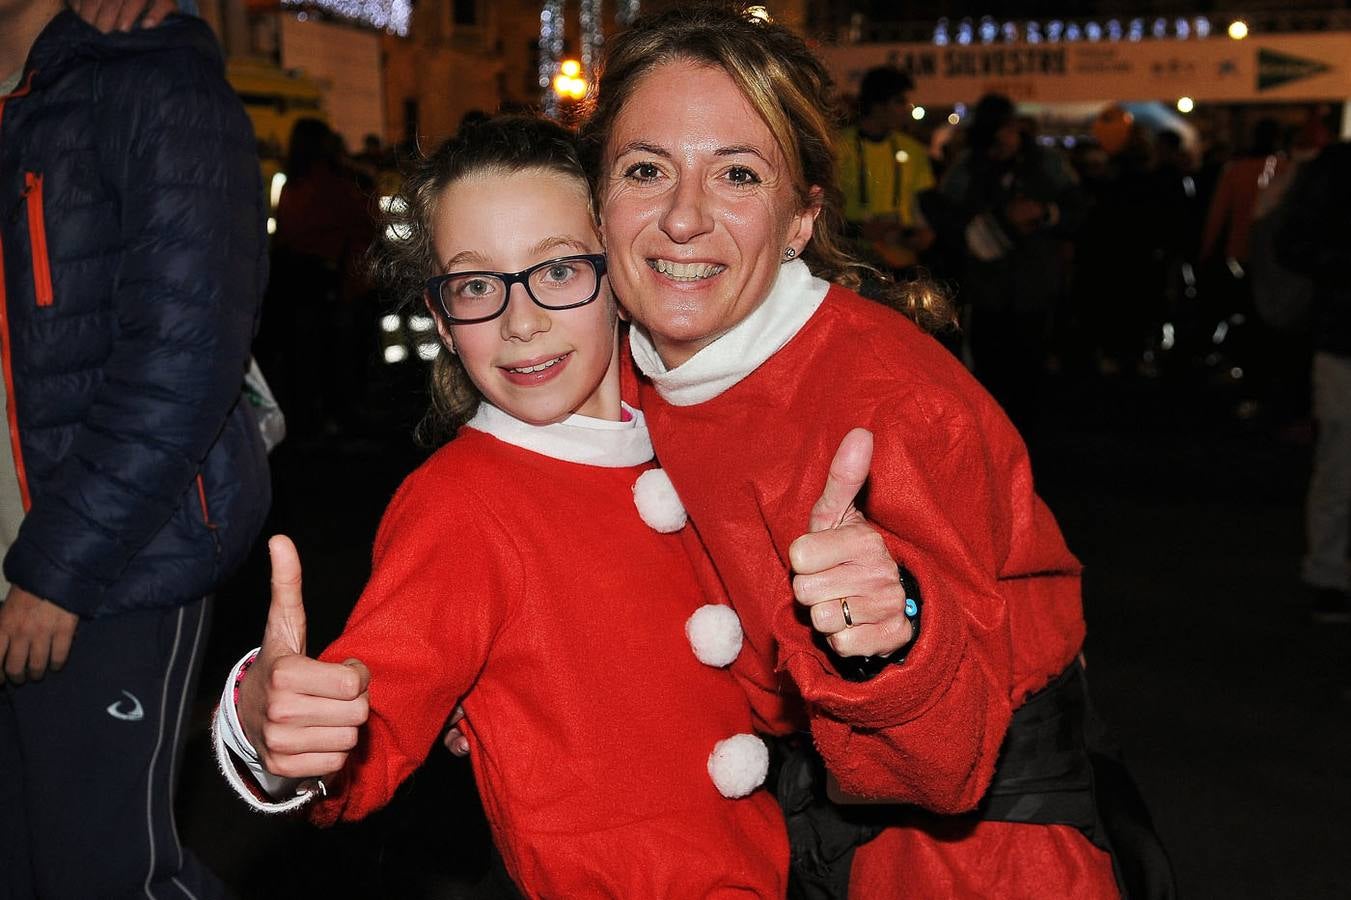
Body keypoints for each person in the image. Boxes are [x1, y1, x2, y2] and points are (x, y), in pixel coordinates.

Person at [577, 7, 1172, 898]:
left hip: (961, 869)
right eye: (646, 170)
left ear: (800, 219)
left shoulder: (889, 403)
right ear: (597, 201)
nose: (683, 218)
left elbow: (942, 766)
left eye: (737, 174)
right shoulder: (620, 370)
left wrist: (887, 643)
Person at [213, 116, 795, 898]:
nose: (520, 323)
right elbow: (366, 729)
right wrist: (269, 730)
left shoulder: (693, 440)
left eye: (556, 271)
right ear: (446, 324)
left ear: (619, 273)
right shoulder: (464, 503)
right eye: (477, 285)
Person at [0, 2, 269, 897]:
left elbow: (181, 361)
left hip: (104, 564)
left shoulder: (152, 80)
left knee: (108, 875)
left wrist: (56, 571)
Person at [932, 92, 1086, 431]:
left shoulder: (1046, 163)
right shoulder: (968, 167)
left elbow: (1079, 211)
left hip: (1034, 287)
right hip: (987, 290)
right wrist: (987, 222)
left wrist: (1044, 213)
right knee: (988, 376)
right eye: (996, 131)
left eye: (1008, 129)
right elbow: (945, 219)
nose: (1004, 138)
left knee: (1029, 377)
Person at [1275, 142, 1351, 624]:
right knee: (1339, 464)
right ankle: (1328, 574)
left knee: (1337, 464)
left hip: (1338, 338)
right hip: (1342, 341)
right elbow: (1293, 244)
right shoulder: (1337, 171)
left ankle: (1328, 573)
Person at [834, 66, 935, 274]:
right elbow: (818, 208)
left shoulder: (913, 149)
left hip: (901, 262)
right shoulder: (837, 147)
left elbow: (920, 206)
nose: (907, 108)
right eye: (900, 101)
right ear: (878, 104)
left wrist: (923, 233)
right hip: (851, 262)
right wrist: (859, 230)